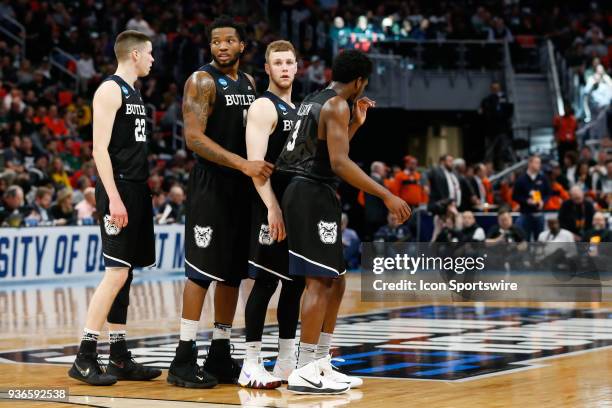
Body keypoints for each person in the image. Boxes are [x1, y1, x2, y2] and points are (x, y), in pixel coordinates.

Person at [276, 49, 411, 394]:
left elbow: (330, 151)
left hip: (314, 191)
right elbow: (339, 163)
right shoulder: (336, 104)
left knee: (336, 280)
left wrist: (355, 125)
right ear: (361, 81)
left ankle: (321, 361)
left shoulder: (315, 99)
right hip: (309, 192)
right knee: (319, 282)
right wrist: (386, 194)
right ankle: (304, 366)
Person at [168, 16, 271, 389]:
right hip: (211, 186)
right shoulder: (202, 81)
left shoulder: (249, 82)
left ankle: (220, 351)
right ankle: (183, 357)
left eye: (229, 41)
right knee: (201, 271)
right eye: (216, 41)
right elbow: (193, 138)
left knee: (231, 272)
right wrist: (243, 163)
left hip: (242, 188)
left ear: (243, 46)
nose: (222, 47)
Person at [68, 30, 161, 386]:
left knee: (127, 273)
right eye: (149, 53)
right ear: (135, 54)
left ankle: (119, 356)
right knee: (116, 272)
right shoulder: (110, 89)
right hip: (118, 188)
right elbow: (99, 150)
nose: (152, 59)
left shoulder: (135, 92)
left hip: (136, 189)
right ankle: (85, 355)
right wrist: (115, 197)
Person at [239, 40, 303, 389]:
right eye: (277, 62)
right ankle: (250, 364)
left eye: (289, 62)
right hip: (268, 207)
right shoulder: (264, 106)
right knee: (264, 283)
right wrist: (272, 207)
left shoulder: (296, 107)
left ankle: (284, 362)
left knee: (294, 284)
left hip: (292, 209)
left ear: (297, 67)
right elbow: (255, 167)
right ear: (267, 68)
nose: (284, 68)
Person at [512, 155, 550, 241]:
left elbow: (548, 193)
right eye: (536, 162)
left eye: (539, 163)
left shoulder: (543, 178)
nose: (539, 165)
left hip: (539, 214)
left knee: (540, 240)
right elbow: (515, 196)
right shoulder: (521, 179)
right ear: (530, 163)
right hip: (526, 214)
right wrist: (526, 201)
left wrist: (543, 201)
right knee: (526, 239)